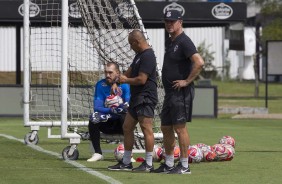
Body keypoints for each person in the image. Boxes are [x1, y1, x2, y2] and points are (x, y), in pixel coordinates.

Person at [152, 10, 204, 174]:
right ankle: (168, 163)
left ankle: (184, 165)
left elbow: (199, 62)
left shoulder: (184, 41)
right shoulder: (171, 40)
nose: (169, 24)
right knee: (166, 127)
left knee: (180, 128)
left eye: (172, 21)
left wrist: (187, 81)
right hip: (170, 93)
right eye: (167, 21)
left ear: (180, 22)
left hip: (180, 93)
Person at [108, 29, 158, 172]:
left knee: (146, 128)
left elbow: (142, 79)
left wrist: (126, 80)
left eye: (131, 43)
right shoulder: (139, 56)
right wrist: (117, 81)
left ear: (137, 42)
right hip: (137, 98)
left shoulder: (148, 56)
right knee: (127, 127)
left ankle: (148, 163)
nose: (130, 46)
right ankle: (126, 162)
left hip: (146, 97)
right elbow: (128, 73)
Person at [87, 62, 130, 162]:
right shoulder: (100, 84)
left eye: (110, 72)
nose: (107, 75)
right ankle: (98, 153)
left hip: (121, 124)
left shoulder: (125, 85)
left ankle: (128, 153)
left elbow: (128, 105)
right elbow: (97, 107)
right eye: (106, 72)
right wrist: (112, 110)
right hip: (107, 122)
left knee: (125, 116)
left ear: (118, 73)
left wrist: (121, 108)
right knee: (93, 118)